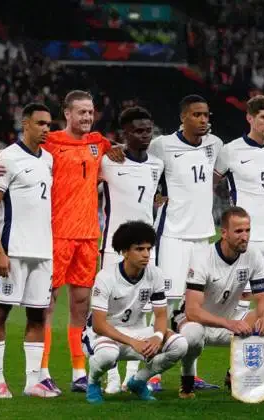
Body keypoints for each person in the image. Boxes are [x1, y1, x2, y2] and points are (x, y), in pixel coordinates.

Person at [0, 90, 125, 393]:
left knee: (80, 303)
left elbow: (122, 150)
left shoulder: (98, 144)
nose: (87, 117)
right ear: (67, 113)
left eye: (91, 112)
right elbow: (13, 154)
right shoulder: (50, 142)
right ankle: (42, 371)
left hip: (89, 235)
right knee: (45, 305)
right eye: (81, 112)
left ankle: (78, 370)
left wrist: (117, 149)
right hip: (54, 235)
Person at [213, 95, 264, 387]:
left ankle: (263, 368)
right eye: (263, 118)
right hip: (244, 241)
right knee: (243, 306)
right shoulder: (230, 150)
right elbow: (211, 182)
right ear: (249, 118)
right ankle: (236, 369)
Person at [148, 94, 223, 390]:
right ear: (183, 117)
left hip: (202, 238)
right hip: (172, 237)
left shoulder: (214, 145)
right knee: (162, 306)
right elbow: (144, 171)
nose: (203, 120)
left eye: (206, 115)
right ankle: (151, 373)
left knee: (192, 309)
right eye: (197, 115)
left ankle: (189, 377)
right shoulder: (162, 145)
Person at [0, 103, 57, 398]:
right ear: (25, 124)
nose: (46, 129)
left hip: (43, 252)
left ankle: (32, 382)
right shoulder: (5, 159)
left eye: (49, 124)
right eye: (40, 124)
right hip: (13, 251)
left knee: (38, 316)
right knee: (0, 311)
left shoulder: (49, 159)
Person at [175, 206, 264, 399]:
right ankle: (187, 377)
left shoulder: (253, 255)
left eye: (248, 230)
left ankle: (235, 374)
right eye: (239, 231)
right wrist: (229, 323)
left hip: (231, 320)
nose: (245, 236)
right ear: (224, 233)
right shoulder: (202, 257)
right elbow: (191, 311)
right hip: (199, 322)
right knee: (191, 334)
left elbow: (263, 297)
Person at [83, 221, 188, 404]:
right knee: (107, 356)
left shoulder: (155, 274)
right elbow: (99, 325)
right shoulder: (106, 277)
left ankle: (138, 381)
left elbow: (161, 314)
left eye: (149, 249)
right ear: (124, 251)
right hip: (102, 335)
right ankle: (93, 382)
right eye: (139, 249)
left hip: (137, 332)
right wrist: (133, 342)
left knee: (180, 344)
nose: (146, 254)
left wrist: (156, 336)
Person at [98, 106, 164, 393]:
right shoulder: (107, 162)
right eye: (137, 131)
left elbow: (160, 196)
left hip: (146, 250)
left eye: (148, 130)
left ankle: (133, 375)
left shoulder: (157, 165)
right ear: (124, 133)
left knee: (144, 311)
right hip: (113, 248)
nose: (144, 135)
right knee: (111, 310)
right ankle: (111, 375)